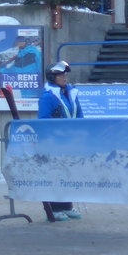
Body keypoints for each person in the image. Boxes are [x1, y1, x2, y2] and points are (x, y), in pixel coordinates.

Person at [37, 60, 83, 222]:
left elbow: (79, 115)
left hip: (70, 141)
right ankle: (55, 209)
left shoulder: (71, 93)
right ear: (52, 77)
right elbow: (43, 120)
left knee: (68, 174)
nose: (64, 77)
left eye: (65, 74)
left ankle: (66, 206)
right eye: (60, 75)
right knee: (55, 174)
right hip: (54, 143)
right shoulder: (47, 97)